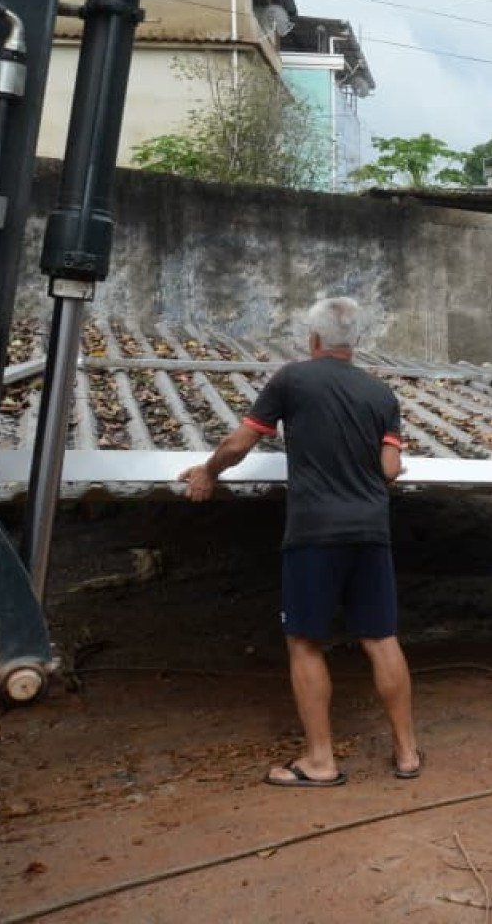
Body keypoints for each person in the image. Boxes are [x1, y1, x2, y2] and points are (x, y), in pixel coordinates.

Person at [181, 297, 420, 787]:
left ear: (314, 341)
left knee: (306, 642)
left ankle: (320, 761)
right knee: (380, 637)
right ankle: (407, 755)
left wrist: (207, 471)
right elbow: (389, 470)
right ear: (354, 343)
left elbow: (239, 443)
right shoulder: (381, 395)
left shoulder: (292, 379)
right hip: (371, 531)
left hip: (315, 532)